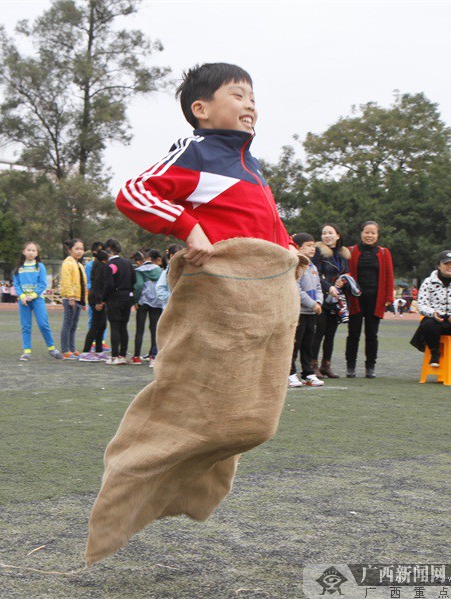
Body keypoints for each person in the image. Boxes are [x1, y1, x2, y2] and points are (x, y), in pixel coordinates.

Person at [86, 63, 297, 565]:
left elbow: (264, 228)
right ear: (201, 110)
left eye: (253, 96)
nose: (250, 104)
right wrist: (188, 228)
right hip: (220, 304)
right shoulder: (197, 151)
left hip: (265, 306)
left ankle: (177, 489)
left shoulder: (251, 167)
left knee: (252, 422)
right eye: (238, 94)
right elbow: (134, 191)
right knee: (195, 406)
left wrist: (291, 250)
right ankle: (131, 487)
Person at [410, 250, 451, 368]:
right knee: (428, 324)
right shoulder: (428, 282)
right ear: (439, 265)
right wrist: (432, 313)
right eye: (446, 263)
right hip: (436, 319)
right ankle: (434, 353)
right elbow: (421, 304)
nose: (450, 266)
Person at [345, 221, 394, 378]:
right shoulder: (350, 251)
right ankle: (350, 366)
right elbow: (346, 274)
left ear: (377, 235)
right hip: (355, 299)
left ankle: (370, 367)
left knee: (372, 335)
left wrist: (389, 297)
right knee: (353, 334)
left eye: (373, 233)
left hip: (376, 300)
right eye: (367, 232)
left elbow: (389, 276)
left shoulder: (384, 253)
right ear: (361, 233)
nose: (369, 235)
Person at [311, 223, 349, 379]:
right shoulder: (318, 252)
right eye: (324, 233)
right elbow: (316, 274)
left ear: (338, 235)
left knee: (331, 334)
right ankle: (312, 365)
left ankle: (326, 365)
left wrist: (342, 282)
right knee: (318, 332)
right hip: (322, 297)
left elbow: (345, 273)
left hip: (336, 299)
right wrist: (329, 287)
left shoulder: (342, 254)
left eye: (330, 233)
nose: (327, 235)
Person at [13, 242, 63, 361]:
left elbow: (42, 284)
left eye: (33, 250)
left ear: (37, 253)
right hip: (24, 301)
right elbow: (16, 284)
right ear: (23, 251)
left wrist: (33, 295)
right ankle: (26, 352)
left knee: (43, 324)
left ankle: (52, 349)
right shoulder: (18, 268)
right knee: (26, 326)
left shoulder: (40, 266)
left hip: (37, 300)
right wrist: (22, 297)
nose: (31, 252)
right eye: (28, 250)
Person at [288, 233, 324, 387]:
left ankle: (308, 373)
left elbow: (318, 287)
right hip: (299, 312)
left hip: (311, 313)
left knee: (308, 345)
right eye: (308, 245)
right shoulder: (296, 266)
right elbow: (297, 289)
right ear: (298, 247)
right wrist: (311, 304)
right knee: (295, 344)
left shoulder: (313, 266)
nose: (312, 248)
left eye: (313, 245)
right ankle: (290, 373)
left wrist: (318, 302)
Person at [99, 238, 135, 365]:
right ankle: (123, 355)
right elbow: (134, 280)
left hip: (114, 298)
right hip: (127, 298)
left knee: (114, 326)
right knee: (123, 327)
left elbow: (109, 285)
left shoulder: (109, 265)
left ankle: (114, 356)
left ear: (108, 250)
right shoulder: (128, 263)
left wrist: (103, 299)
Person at [130, 250, 164, 365]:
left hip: (143, 302)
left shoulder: (139, 271)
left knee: (140, 329)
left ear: (139, 261)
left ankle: (136, 356)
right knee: (154, 328)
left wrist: (135, 300)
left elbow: (139, 285)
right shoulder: (159, 270)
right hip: (157, 302)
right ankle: (152, 354)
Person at [80, 250, 111, 362]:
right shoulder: (100, 268)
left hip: (97, 297)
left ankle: (98, 350)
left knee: (101, 325)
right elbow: (98, 285)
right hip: (96, 298)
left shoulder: (98, 265)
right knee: (95, 325)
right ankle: (85, 352)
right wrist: (99, 301)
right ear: (105, 260)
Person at [59, 238, 88, 359]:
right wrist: (70, 296)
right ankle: (65, 350)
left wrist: (84, 301)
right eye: (77, 249)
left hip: (78, 298)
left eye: (81, 249)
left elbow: (83, 283)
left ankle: (72, 348)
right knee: (67, 324)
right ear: (70, 250)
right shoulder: (67, 263)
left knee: (74, 325)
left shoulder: (80, 265)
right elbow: (66, 281)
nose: (79, 251)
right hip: (70, 298)